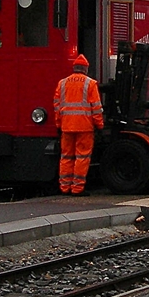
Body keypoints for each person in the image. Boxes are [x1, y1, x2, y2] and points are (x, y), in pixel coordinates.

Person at [53, 53, 104, 195]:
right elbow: (96, 107)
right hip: (84, 127)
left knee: (66, 157)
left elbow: (57, 106)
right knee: (82, 157)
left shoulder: (62, 83)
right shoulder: (90, 84)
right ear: (86, 69)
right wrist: (99, 125)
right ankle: (77, 188)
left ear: (74, 68)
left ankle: (64, 187)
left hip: (66, 126)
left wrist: (58, 124)